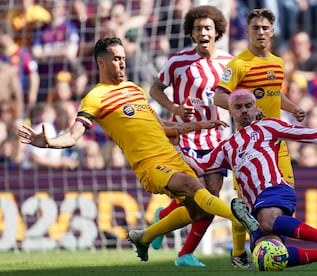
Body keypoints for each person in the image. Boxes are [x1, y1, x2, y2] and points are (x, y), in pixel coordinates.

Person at [17, 37, 259, 263]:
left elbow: (163, 126)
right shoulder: (95, 97)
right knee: (193, 186)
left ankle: (143, 237)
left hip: (172, 156)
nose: (122, 62)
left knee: (200, 213)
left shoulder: (134, 89)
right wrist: (48, 142)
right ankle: (237, 216)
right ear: (101, 62)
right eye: (116, 58)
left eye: (123, 58)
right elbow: (72, 135)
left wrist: (200, 125)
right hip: (149, 164)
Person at [180, 89, 317, 268]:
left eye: (248, 106)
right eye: (238, 107)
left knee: (268, 221)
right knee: (268, 258)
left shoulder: (268, 126)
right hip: (254, 207)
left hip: (274, 189)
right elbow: (200, 165)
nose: (244, 110)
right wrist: (174, 148)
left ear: (255, 107)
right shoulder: (226, 147)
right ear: (230, 112)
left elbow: (308, 134)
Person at [213, 8, 305, 267]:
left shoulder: (278, 62)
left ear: (272, 31)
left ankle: (274, 248)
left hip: (276, 143)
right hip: (249, 146)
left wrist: (292, 107)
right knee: (247, 203)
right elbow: (218, 95)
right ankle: (240, 251)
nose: (261, 32)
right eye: (256, 28)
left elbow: (274, 94)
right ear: (247, 32)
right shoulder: (238, 64)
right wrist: (244, 105)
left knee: (287, 196)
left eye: (265, 28)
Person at [148, 5, 233, 267]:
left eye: (208, 28)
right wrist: (174, 108)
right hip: (187, 138)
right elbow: (154, 89)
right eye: (198, 29)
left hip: (217, 139)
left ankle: (181, 246)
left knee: (212, 198)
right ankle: (172, 234)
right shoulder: (178, 61)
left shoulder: (229, 63)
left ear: (217, 30)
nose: (203, 32)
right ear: (191, 33)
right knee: (195, 194)